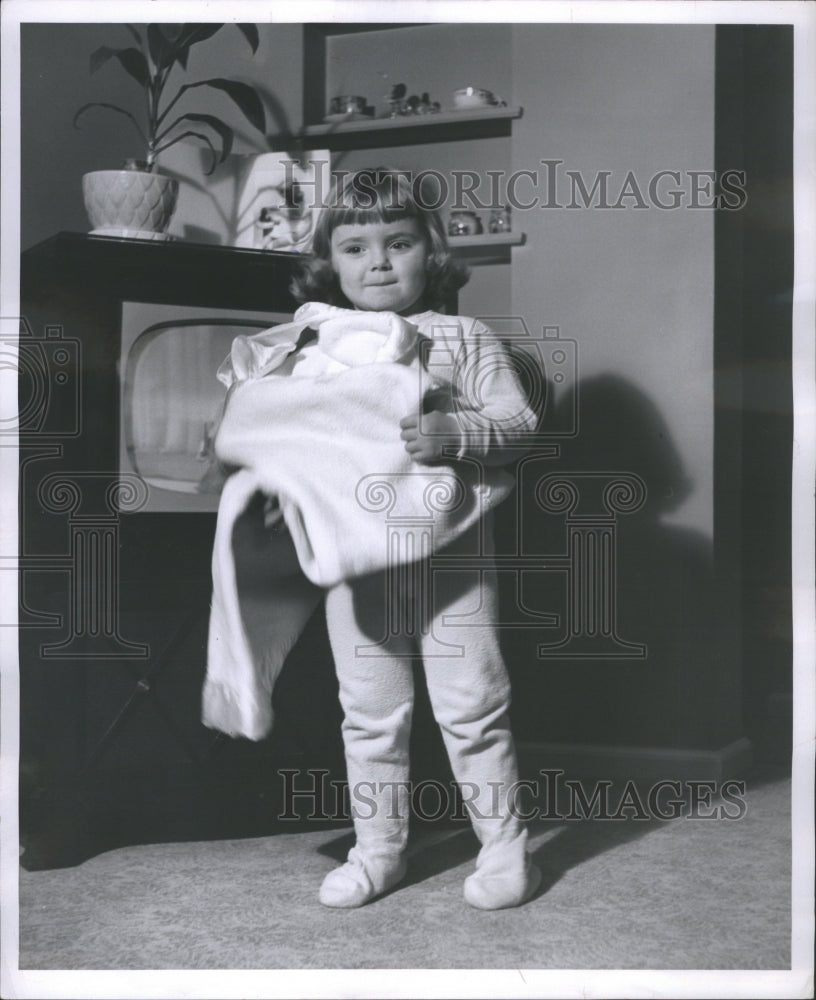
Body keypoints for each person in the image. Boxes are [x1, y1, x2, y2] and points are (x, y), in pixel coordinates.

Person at [279, 167, 542, 910]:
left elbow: (519, 425)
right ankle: (379, 850)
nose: (379, 262)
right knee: (368, 712)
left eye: (398, 243)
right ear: (331, 259)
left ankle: (504, 849)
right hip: (357, 561)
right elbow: (295, 437)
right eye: (356, 247)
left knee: (472, 705)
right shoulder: (316, 342)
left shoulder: (464, 337)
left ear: (432, 251)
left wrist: (457, 431)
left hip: (452, 557)